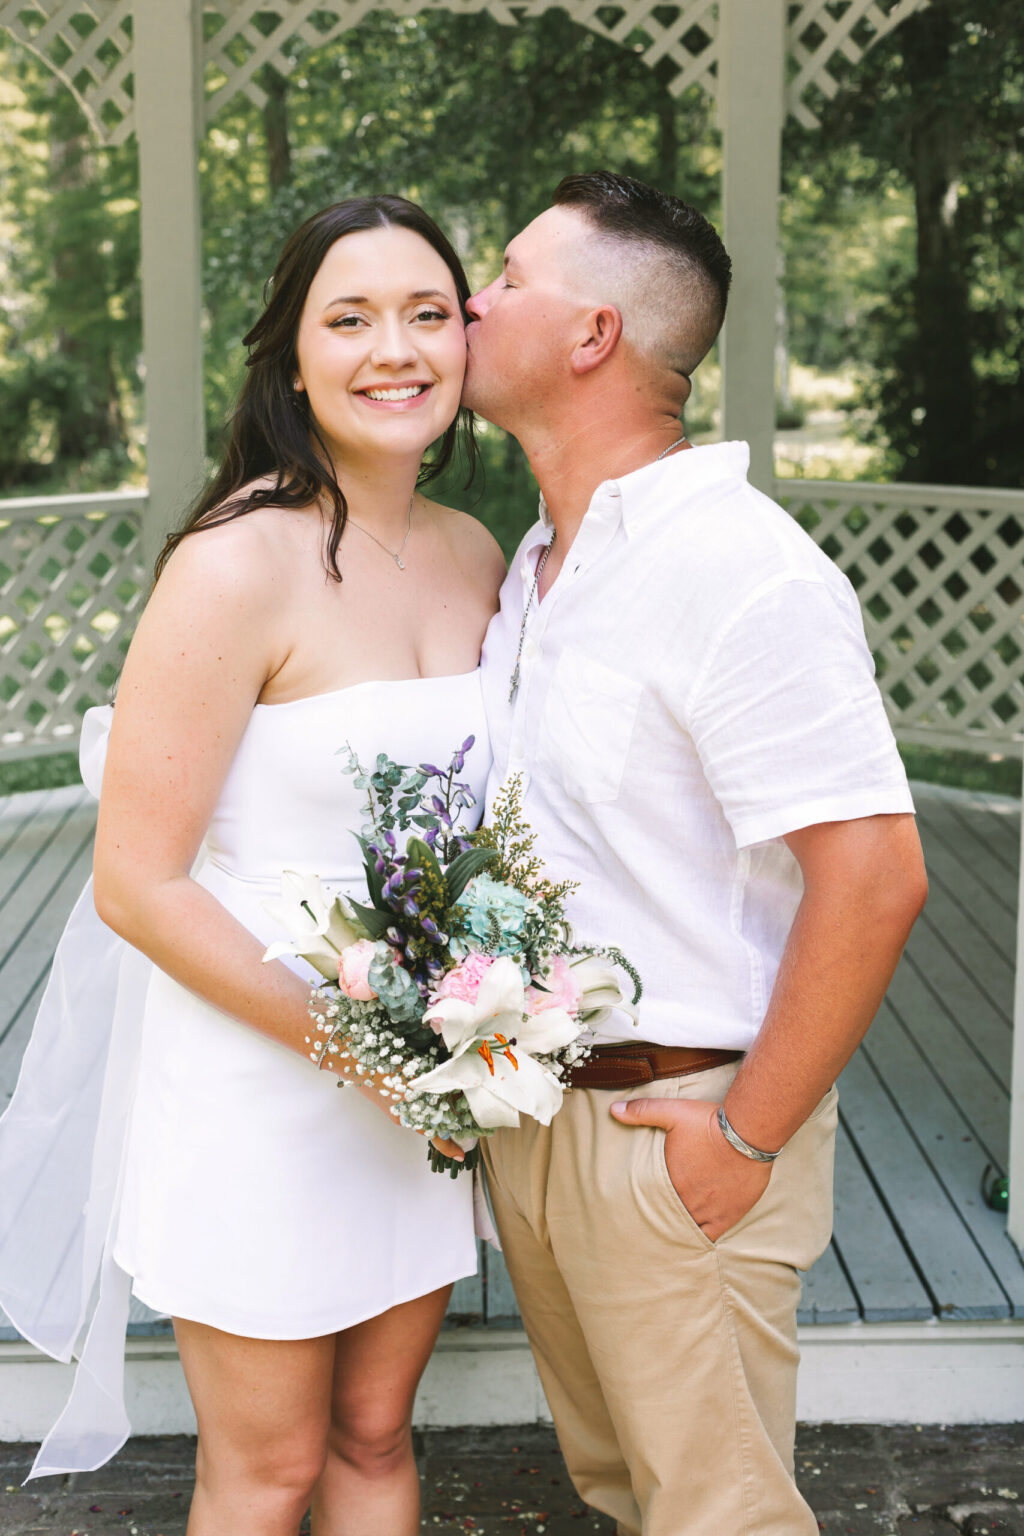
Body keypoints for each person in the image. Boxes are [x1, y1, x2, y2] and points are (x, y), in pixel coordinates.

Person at [0, 195, 505, 1535]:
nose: (393, 347)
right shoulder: (236, 563)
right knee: (268, 1470)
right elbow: (137, 883)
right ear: (292, 361)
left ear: (469, 342)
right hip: (259, 1077)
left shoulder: (476, 556)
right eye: (349, 319)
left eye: (427, 313)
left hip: (422, 1081)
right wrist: (364, 1048)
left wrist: (471, 1031)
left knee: (376, 1435)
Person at [467, 170, 928, 1536]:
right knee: (624, 1493)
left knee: (718, 1515)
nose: (470, 300)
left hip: (688, 1123)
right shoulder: (538, 564)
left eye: (506, 275)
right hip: (548, 1119)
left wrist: (743, 1137)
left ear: (594, 333)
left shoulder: (743, 572)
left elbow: (879, 874)